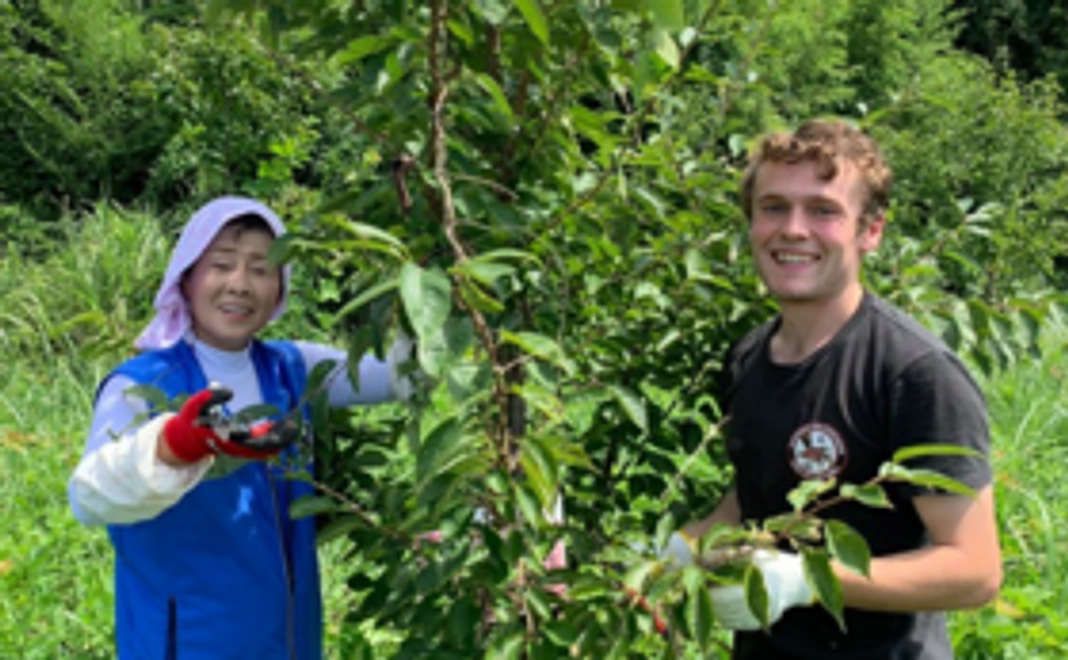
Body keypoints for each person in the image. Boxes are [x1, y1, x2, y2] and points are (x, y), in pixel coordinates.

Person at [660, 119, 1002, 658]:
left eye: (823, 210)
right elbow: (755, 493)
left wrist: (805, 582)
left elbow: (974, 570)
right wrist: (679, 551)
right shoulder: (748, 357)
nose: (793, 229)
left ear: (871, 231)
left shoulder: (914, 373)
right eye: (773, 207)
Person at [68, 196, 413, 659]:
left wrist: (427, 276)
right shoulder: (142, 384)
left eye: (261, 269)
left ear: (279, 290)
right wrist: (175, 445)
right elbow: (88, 496)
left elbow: (402, 376)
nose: (240, 284)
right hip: (188, 644)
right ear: (186, 279)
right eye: (222, 264)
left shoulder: (293, 369)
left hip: (289, 641)